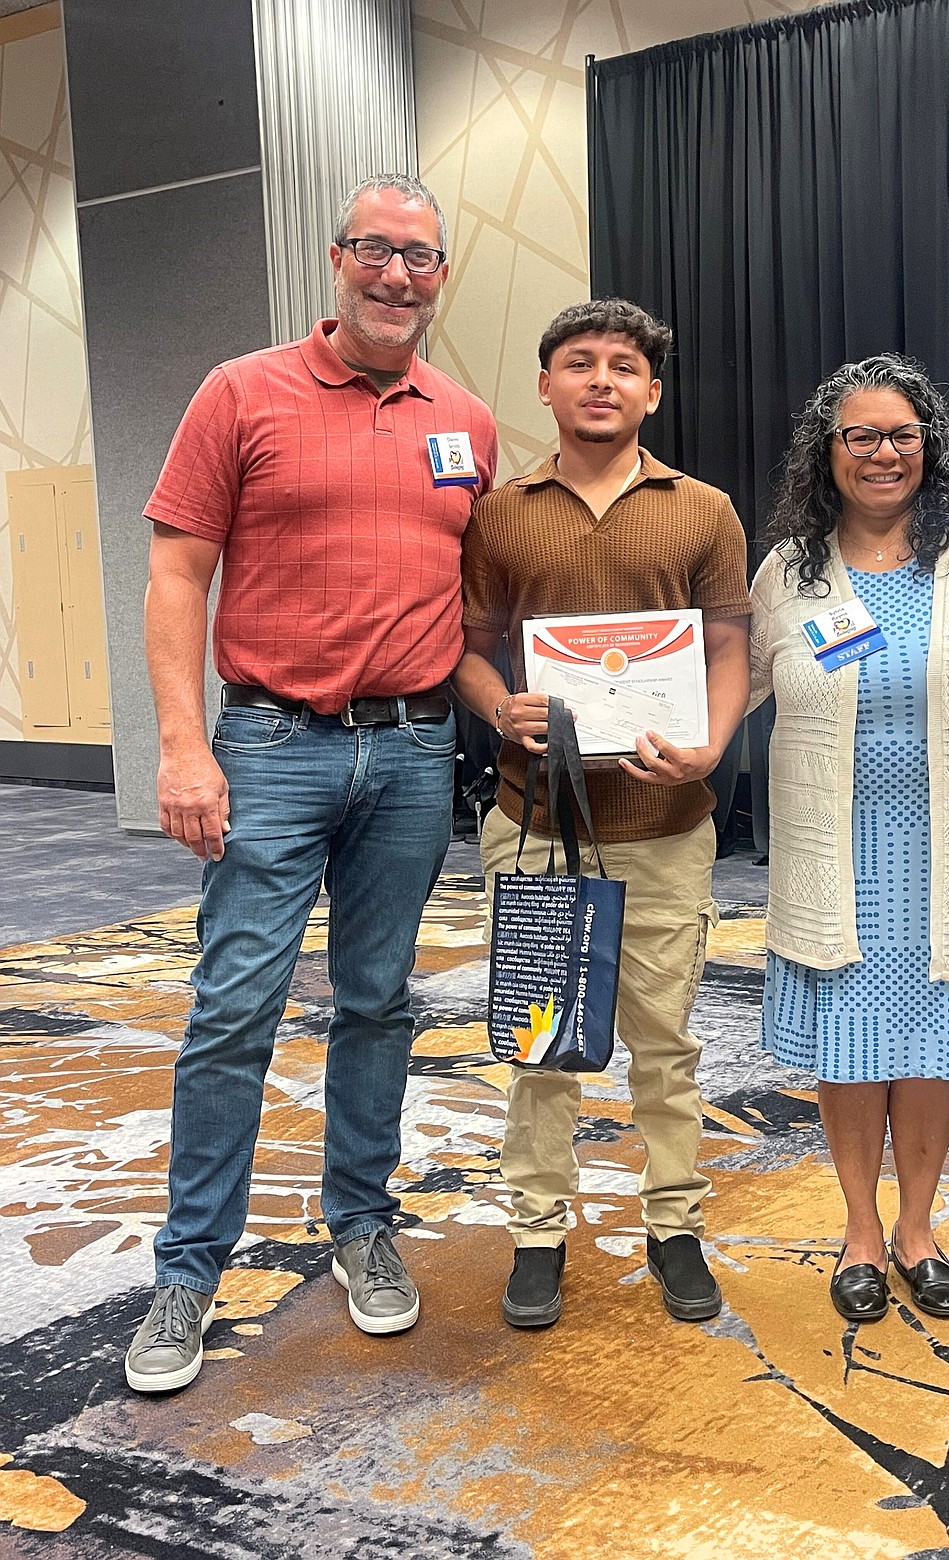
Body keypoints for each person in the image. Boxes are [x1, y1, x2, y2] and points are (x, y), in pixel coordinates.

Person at [124, 174, 498, 1393]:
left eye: (422, 258)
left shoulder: (470, 419)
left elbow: (477, 595)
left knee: (380, 1001)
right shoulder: (242, 391)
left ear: (444, 276)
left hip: (412, 753)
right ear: (337, 259)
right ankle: (189, 1271)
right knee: (235, 1005)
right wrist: (184, 746)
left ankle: (362, 1223)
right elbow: (178, 575)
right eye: (377, 251)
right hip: (272, 747)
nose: (398, 275)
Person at [749, 355, 949, 1324]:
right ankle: (858, 1230)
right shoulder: (792, 571)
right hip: (832, 851)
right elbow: (738, 685)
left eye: (901, 434)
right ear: (830, 451)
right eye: (862, 436)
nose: (882, 453)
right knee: (852, 1049)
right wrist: (636, 723)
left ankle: (918, 1230)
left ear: (928, 444)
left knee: (931, 1046)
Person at [453, 299, 750, 1329]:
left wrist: (711, 745)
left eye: (624, 367)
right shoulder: (500, 513)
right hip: (537, 825)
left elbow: (724, 647)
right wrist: (500, 705)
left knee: (667, 1045)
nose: (601, 381)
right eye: (579, 364)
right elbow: (471, 641)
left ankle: (674, 1224)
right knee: (540, 1043)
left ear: (652, 392)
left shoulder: (704, 509)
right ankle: (539, 1233)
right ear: (546, 385)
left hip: (667, 826)